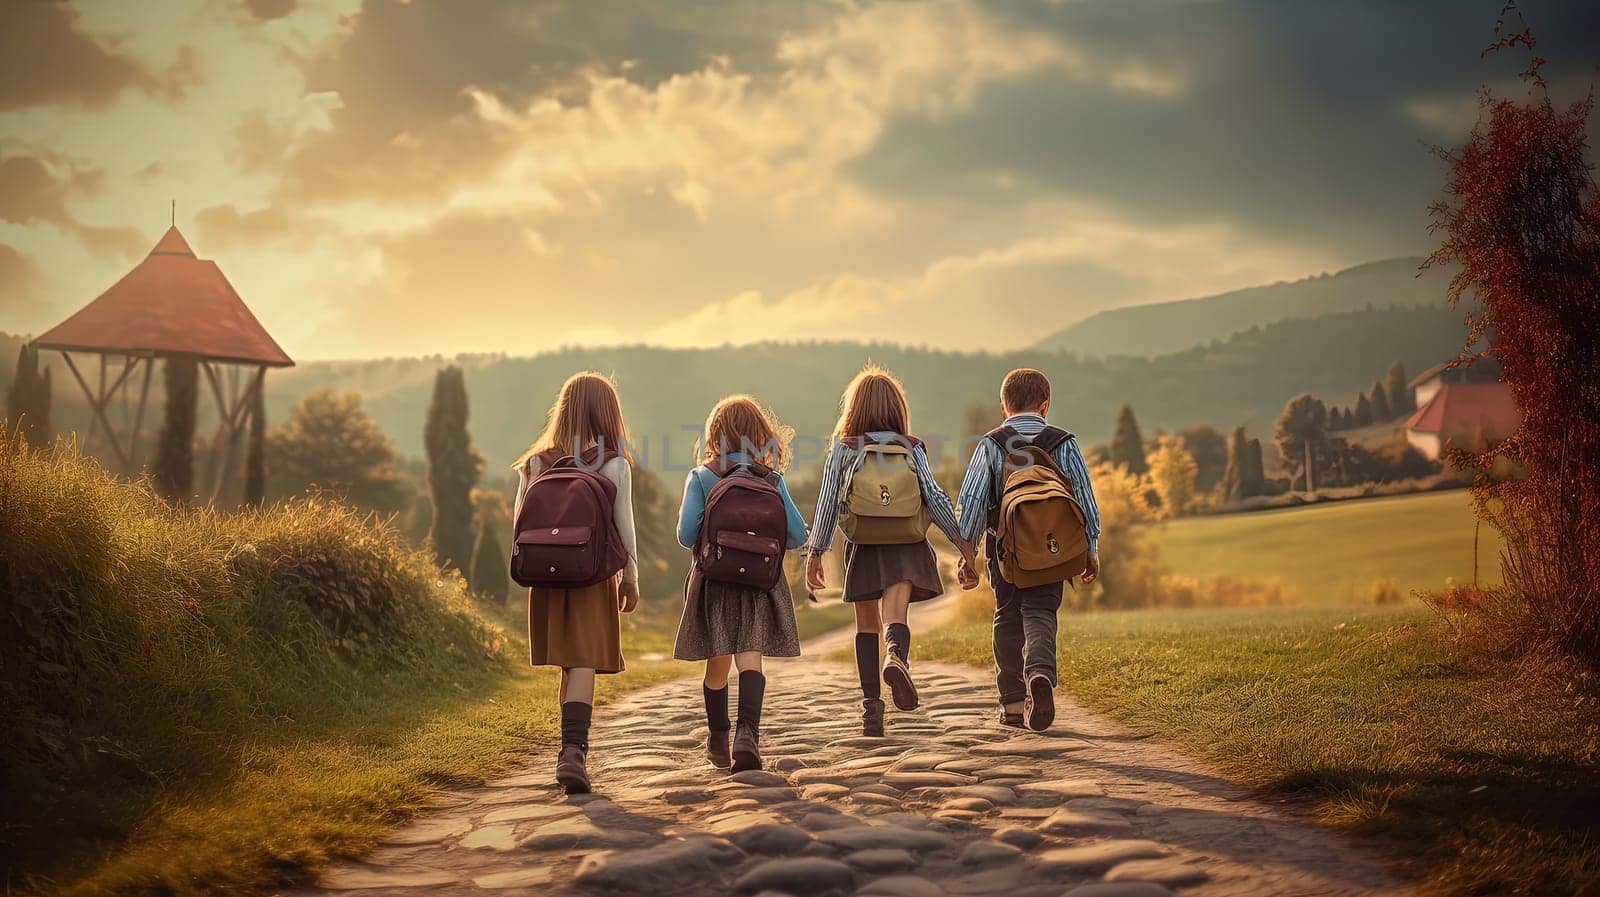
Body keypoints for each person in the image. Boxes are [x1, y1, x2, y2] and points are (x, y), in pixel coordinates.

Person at [806, 364, 975, 736]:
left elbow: (828, 503)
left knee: (866, 625)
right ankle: (896, 655)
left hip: (863, 543)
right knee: (894, 616)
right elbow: (935, 498)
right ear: (898, 409)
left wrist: (815, 551)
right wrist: (963, 546)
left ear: (854, 410)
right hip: (906, 544)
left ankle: (872, 710)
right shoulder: (912, 448)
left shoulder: (845, 449)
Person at [511, 372, 641, 794]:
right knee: (584, 661)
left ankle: (567, 750)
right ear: (609, 414)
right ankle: (573, 753)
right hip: (591, 575)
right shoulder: (613, 463)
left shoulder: (535, 462)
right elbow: (624, 526)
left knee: (568, 664)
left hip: (545, 578)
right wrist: (631, 577)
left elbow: (519, 524)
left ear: (562, 411)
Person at [955, 368, 1101, 731]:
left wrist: (967, 553)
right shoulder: (1062, 441)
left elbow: (972, 501)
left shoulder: (992, 443)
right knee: (1041, 611)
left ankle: (1013, 704)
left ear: (1004, 407)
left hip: (1005, 550)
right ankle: (1040, 671)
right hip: (1054, 550)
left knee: (1007, 615)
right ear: (1045, 406)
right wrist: (1091, 548)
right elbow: (1084, 498)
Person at [675, 395, 810, 772]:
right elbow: (797, 536)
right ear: (760, 436)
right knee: (750, 657)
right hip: (759, 583)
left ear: (714, 437)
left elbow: (686, 535)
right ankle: (747, 735)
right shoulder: (772, 479)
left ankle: (718, 736)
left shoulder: (702, 476)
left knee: (717, 665)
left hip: (714, 582)